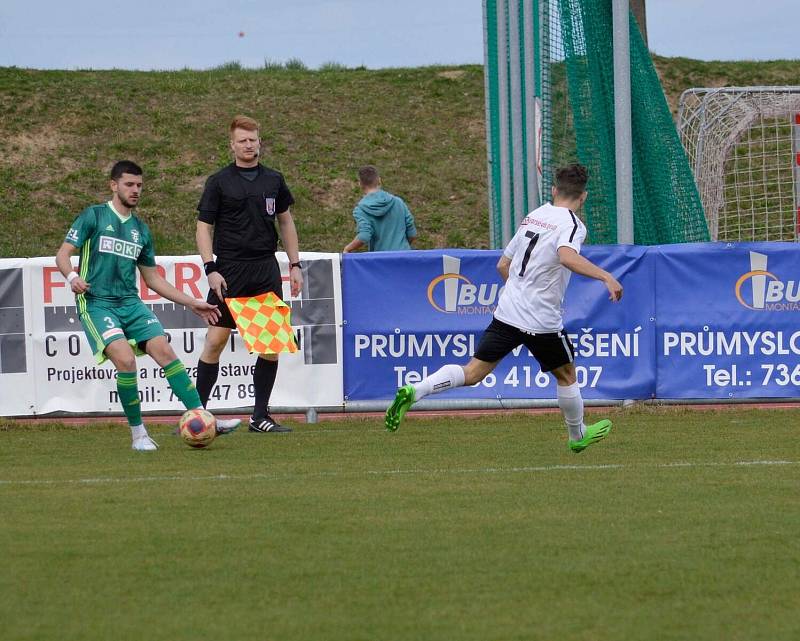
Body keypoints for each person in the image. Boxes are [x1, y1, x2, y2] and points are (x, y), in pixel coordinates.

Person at [385, 163, 623, 453]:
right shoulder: (572, 225)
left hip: (507, 312)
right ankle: (577, 435)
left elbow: (502, 264)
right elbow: (567, 257)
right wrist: (606, 276)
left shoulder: (534, 216)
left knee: (473, 372)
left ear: (554, 190)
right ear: (583, 197)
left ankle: (416, 390)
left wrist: (520, 293)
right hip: (541, 319)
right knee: (566, 375)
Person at [55, 160, 223, 451]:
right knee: (126, 360)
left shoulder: (140, 231)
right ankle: (139, 435)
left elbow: (153, 279)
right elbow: (63, 254)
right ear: (114, 185)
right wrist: (72, 276)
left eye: (139, 186)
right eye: (129, 185)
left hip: (130, 303)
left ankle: (205, 418)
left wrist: (192, 303)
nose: (135, 191)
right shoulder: (93, 216)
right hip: (97, 303)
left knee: (165, 351)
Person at [195, 115, 302, 433]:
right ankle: (197, 415)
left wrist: (294, 265)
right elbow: (204, 227)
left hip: (265, 269)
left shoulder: (273, 179)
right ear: (232, 145)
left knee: (270, 345)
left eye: (253, 139)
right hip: (229, 270)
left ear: (260, 142)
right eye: (242, 140)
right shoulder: (219, 181)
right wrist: (210, 267)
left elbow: (285, 221)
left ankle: (260, 417)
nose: (248, 145)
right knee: (215, 341)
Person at [342, 165, 417, 253]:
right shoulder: (398, 202)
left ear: (360, 184)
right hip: (404, 257)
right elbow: (412, 234)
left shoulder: (361, 210)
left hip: (381, 261)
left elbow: (364, 236)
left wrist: (347, 248)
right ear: (379, 180)